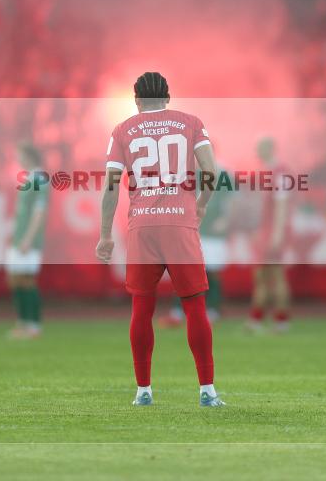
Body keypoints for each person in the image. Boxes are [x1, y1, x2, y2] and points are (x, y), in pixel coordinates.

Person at [96, 72, 224, 407]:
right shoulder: (191, 122)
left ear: (136, 100)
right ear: (167, 97)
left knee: (141, 308)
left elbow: (111, 185)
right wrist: (200, 206)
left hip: (142, 227)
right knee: (195, 307)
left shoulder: (123, 130)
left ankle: (143, 391)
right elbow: (211, 172)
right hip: (180, 224)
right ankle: (207, 391)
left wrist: (105, 235)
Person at [158, 167, 234, 327]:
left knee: (212, 272)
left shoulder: (222, 174)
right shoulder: (186, 174)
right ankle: (177, 313)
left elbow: (232, 200)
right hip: (191, 231)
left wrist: (226, 220)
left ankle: (212, 311)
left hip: (213, 234)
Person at [247, 138, 291, 333]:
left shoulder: (279, 171)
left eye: (260, 148)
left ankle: (277, 321)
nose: (257, 152)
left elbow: (281, 205)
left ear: (269, 148)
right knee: (265, 276)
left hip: (272, 232)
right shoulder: (267, 170)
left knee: (273, 275)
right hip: (266, 231)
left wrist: (277, 234)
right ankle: (265, 320)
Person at [6, 142, 48, 339]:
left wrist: (28, 239)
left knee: (26, 280)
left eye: (20, 155)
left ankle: (33, 325)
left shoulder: (39, 178)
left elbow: (39, 211)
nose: (18, 160)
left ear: (29, 156)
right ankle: (23, 322)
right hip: (19, 238)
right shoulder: (29, 178)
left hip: (28, 240)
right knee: (15, 279)